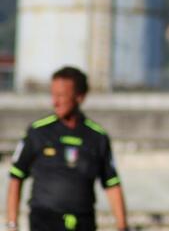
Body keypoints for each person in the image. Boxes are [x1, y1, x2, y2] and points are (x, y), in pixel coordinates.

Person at [6, 66, 129, 231]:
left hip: (83, 222)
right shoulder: (38, 132)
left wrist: (122, 226)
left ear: (80, 97)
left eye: (61, 96)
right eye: (53, 94)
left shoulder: (97, 137)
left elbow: (112, 184)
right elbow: (16, 177)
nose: (54, 102)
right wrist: (12, 224)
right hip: (44, 222)